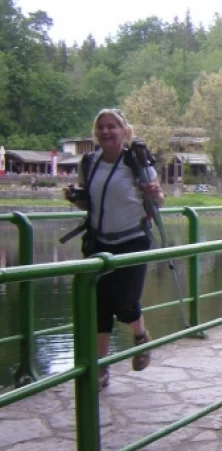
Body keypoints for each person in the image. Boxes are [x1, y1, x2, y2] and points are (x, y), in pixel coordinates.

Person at [66, 108, 164, 389]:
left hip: (133, 241)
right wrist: (76, 198)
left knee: (125, 302)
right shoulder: (89, 163)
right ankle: (101, 369)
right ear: (95, 133)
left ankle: (141, 337)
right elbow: (89, 202)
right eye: (101, 127)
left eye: (112, 127)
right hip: (99, 242)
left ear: (124, 131)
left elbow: (159, 202)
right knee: (100, 308)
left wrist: (156, 195)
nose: (106, 132)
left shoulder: (136, 162)